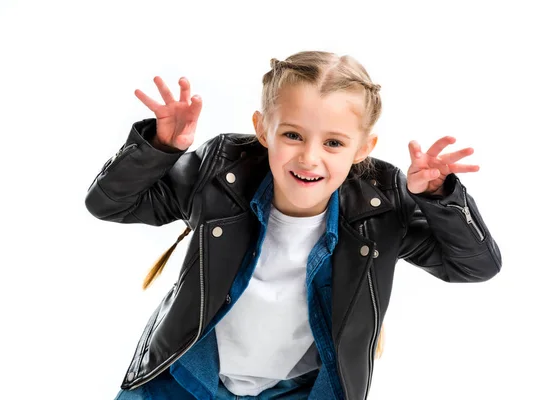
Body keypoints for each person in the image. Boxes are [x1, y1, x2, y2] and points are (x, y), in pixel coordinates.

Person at [84, 51, 502, 400]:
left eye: (334, 142)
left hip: (296, 389)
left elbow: (474, 266)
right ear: (263, 129)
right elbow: (110, 204)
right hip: (186, 375)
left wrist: (439, 199)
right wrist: (157, 149)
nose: (309, 157)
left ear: (363, 149)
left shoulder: (382, 204)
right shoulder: (222, 169)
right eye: (293, 135)